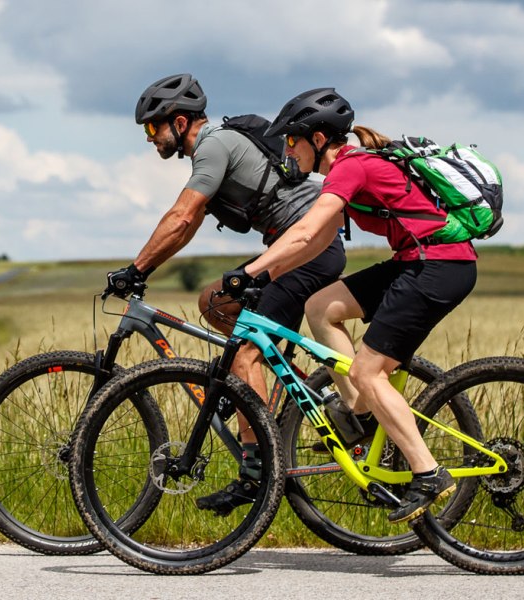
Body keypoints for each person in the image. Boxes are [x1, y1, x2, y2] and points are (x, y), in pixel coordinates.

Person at [222, 87, 479, 523]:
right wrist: (268, 273)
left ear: (317, 139)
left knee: (367, 369)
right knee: (321, 306)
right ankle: (360, 414)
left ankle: (428, 472)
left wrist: (248, 273)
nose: (287, 150)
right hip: (417, 261)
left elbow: (304, 233)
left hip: (437, 265)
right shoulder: (351, 170)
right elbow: (316, 241)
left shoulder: (352, 166)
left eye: (292, 140)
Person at [104, 74, 354, 516]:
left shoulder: (213, 147)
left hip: (306, 249)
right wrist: (148, 266)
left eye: (151, 128)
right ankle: (288, 390)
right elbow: (189, 225)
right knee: (212, 303)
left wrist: (135, 270)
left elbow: (181, 216)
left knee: (244, 354)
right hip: (298, 250)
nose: (149, 139)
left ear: (179, 122)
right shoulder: (215, 150)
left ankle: (257, 473)